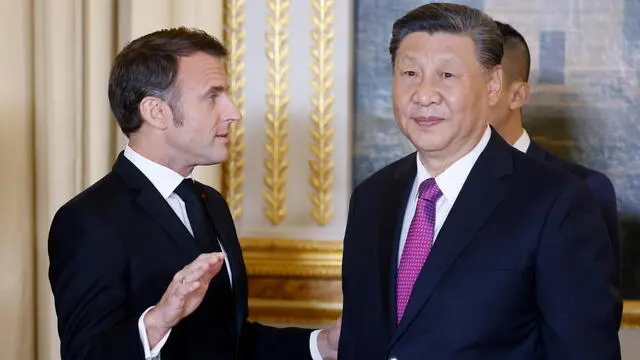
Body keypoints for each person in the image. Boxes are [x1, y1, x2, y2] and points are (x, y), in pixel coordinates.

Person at [337, 3, 620, 359]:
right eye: (409, 73)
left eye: (447, 75)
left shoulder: (557, 202)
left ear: (493, 85)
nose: (424, 95)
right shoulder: (371, 198)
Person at [48, 27, 340, 360]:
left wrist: (323, 344)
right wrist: (159, 320)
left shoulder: (211, 203)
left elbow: (229, 341)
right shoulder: (88, 219)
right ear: (157, 112)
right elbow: (84, 354)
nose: (233, 112)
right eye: (213, 95)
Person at [488, 20, 621, 286]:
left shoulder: (584, 190)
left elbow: (588, 319)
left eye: (478, 84)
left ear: (517, 95)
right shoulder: (421, 188)